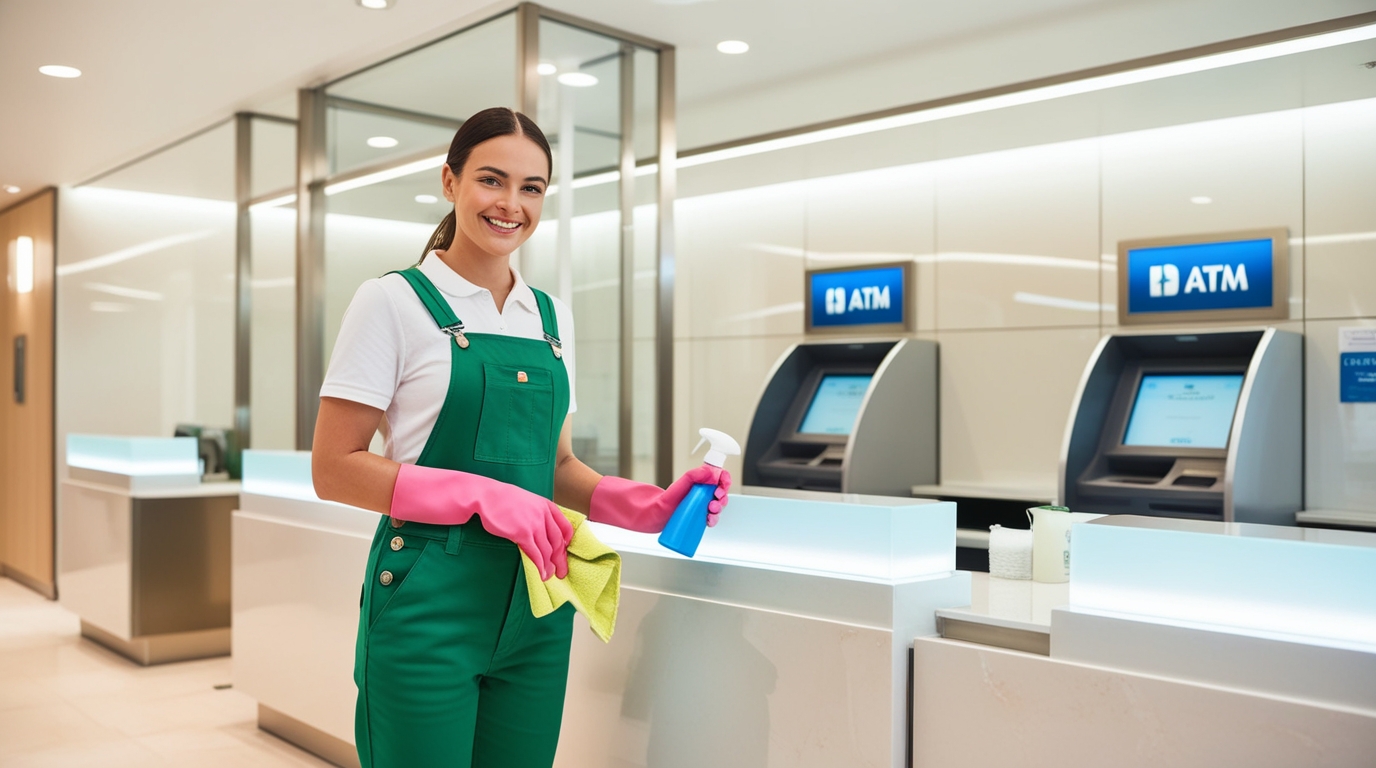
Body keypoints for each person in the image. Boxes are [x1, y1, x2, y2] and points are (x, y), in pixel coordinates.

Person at [311, 107, 731, 768]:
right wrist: (481, 496)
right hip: (428, 605)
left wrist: (648, 506)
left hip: (537, 607)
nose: (511, 204)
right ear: (450, 183)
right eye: (491, 180)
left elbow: (556, 465)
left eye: (532, 188)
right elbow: (334, 468)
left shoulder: (550, 315)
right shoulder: (391, 301)